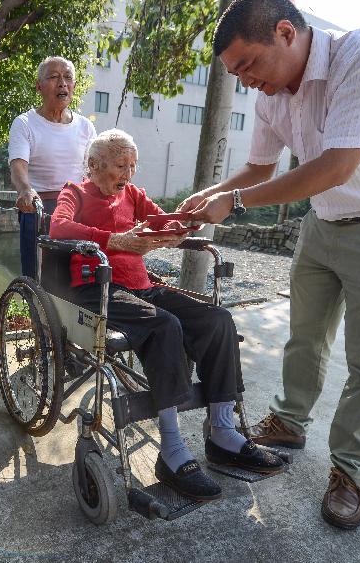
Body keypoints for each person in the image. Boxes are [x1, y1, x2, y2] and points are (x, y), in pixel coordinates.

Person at [179, 0, 360, 529]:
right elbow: (258, 168)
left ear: (284, 32)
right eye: (237, 73)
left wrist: (231, 204)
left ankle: (352, 472)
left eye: (249, 64)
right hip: (323, 225)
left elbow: (336, 166)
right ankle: (290, 421)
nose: (247, 80)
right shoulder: (272, 97)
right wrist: (207, 194)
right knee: (305, 336)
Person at [50, 129, 283, 501]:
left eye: (132, 165)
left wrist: (177, 228)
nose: (128, 173)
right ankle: (172, 450)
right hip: (96, 288)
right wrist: (115, 240)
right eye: (120, 165)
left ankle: (223, 432)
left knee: (217, 320)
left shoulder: (133, 194)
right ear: (93, 165)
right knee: (164, 325)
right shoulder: (74, 192)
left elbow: (161, 220)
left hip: (140, 285)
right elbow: (58, 227)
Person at [8, 56, 96, 276]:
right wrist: (25, 190)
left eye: (68, 78)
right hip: (40, 206)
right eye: (54, 77)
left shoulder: (85, 127)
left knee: (81, 275)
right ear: (39, 86)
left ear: (74, 86)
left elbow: (94, 172)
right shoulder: (25, 123)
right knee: (39, 276)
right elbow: (18, 165)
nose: (62, 83)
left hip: (78, 206)